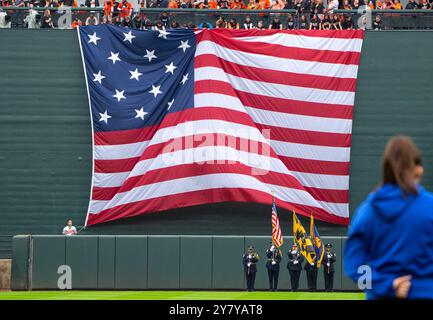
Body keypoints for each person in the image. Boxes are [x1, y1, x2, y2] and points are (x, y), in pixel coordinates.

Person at [344, 136, 433, 299]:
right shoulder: (429, 207)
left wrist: (387, 284)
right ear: (418, 169)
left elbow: (353, 267)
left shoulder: (367, 211)